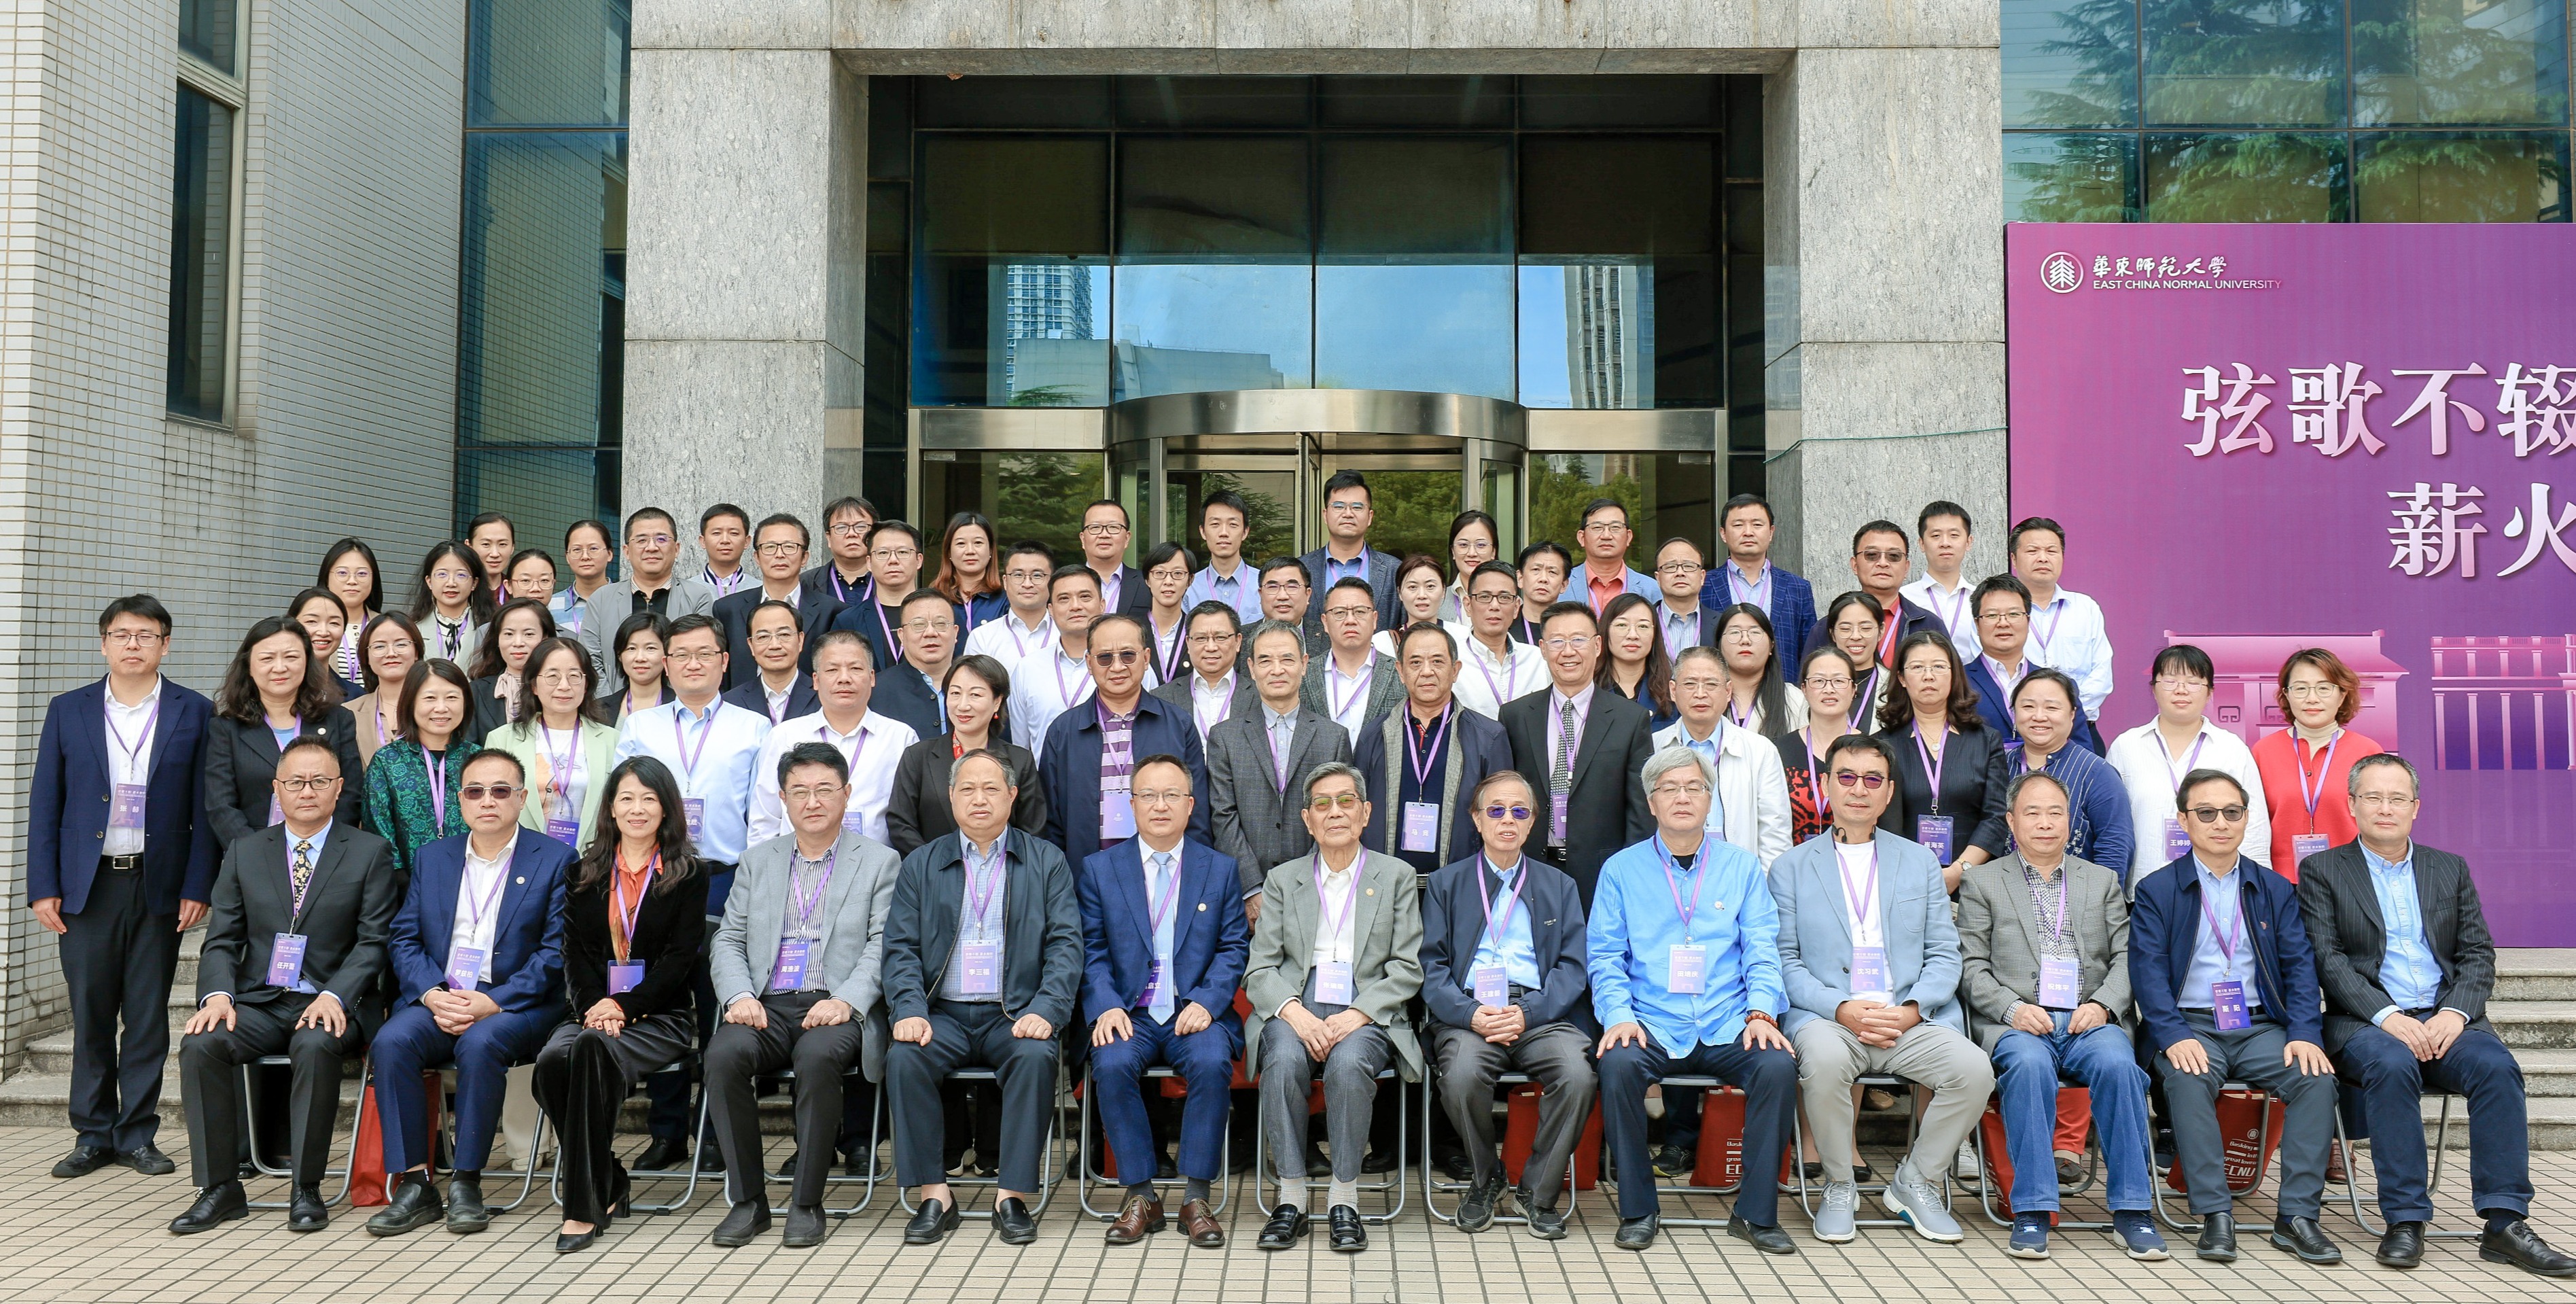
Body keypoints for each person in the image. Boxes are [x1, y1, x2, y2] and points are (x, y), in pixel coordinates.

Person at [2297, 754, 2574, 1275]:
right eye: (2373, 797)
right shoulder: (2322, 871)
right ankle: (2404, 1219)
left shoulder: (2448, 867)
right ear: (2351, 804)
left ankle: (2505, 1223)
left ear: (2415, 807)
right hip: (2365, 1023)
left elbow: (2477, 953)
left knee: (2496, 1068)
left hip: (2444, 1017)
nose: (2385, 808)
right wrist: (2386, 1015)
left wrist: (2455, 1012)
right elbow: (2327, 960)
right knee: (2392, 1063)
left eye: (2396, 798)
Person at [168, 736, 397, 1234]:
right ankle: (220, 1187)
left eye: (319, 781)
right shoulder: (246, 851)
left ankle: (306, 1187)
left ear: (339, 788)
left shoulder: (369, 852)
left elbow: (374, 942)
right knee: (201, 1043)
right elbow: (222, 939)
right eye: (295, 782)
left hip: (335, 1001)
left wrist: (336, 995)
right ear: (277, 789)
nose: (307, 791)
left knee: (314, 1043)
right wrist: (218, 995)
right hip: (262, 1001)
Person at [1771, 734, 1992, 1245]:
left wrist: (1913, 1008)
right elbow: (1784, 961)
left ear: (1889, 792)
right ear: (1826, 785)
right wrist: (1840, 1007)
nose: (1859, 789)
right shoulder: (1790, 867)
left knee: (1974, 1070)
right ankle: (1839, 1184)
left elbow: (1945, 954)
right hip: (1830, 1017)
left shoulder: (1919, 862)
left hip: (1907, 1018)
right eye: (1846, 777)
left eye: (1873, 779)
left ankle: (1916, 1181)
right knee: (1824, 1062)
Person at [28, 596, 216, 1180]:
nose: (133, 644)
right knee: (90, 1011)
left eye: (146, 634)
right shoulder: (69, 709)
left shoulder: (195, 710)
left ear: (166, 643)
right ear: (104, 643)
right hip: (87, 887)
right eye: (122, 634)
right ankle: (92, 1134)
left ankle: (137, 1134)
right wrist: (43, 885)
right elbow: (46, 802)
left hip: (158, 882)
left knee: (146, 1013)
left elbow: (204, 808)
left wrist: (198, 884)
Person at [1589, 747, 1799, 1253]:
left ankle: (1755, 1214)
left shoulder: (1741, 867)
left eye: (1693, 787)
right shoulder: (1620, 870)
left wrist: (1761, 1012)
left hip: (1728, 1020)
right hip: (1652, 1021)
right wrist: (1618, 1015)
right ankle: (1638, 1208)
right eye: (1669, 788)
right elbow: (1605, 956)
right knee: (1617, 1064)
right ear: (1651, 802)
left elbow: (1762, 949)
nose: (1682, 797)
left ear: (1710, 799)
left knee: (1776, 1067)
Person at [1955, 770, 2166, 1261]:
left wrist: (2103, 1004)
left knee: (2120, 1067)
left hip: (2088, 1018)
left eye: (2056, 813)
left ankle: (2132, 1210)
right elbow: (1969, 965)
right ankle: (2032, 1210)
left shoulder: (2101, 879)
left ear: (2071, 822)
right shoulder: (1983, 881)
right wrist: (2011, 1008)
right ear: (2011, 821)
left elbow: (2128, 955)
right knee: (2029, 1068)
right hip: (2019, 1021)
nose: (2045, 823)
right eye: (2032, 812)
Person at [2130, 768, 2339, 1265]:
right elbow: (2147, 973)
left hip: (2259, 1025)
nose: (2220, 822)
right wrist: (2172, 1034)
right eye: (2206, 812)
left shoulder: (2274, 888)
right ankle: (2215, 1214)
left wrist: (2304, 1032)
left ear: (2247, 818)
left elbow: (2299, 967)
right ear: (2184, 820)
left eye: (2231, 812)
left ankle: (2297, 1218)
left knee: (2315, 1079)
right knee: (2187, 1078)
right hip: (2189, 1025)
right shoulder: (2157, 889)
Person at [364, 750, 574, 1237]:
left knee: (480, 1043)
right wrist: (431, 992)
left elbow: (557, 950)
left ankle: (467, 1182)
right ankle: (416, 1183)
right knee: (391, 1042)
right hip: (444, 994)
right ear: (461, 800)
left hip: (515, 1003)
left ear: (521, 798)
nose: (487, 800)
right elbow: (405, 937)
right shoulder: (433, 857)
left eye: (501, 790)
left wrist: (494, 1000)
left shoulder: (555, 859)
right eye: (475, 791)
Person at [703, 742, 902, 1250]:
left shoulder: (879, 862)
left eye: (824, 790)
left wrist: (847, 1001)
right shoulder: (757, 861)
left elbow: (885, 942)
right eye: (799, 791)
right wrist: (738, 996)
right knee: (723, 1055)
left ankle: (807, 1202)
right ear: (783, 799)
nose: (812, 801)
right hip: (765, 1004)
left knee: (817, 1059)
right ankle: (748, 1201)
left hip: (835, 1005)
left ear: (846, 794)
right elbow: (728, 937)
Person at [882, 748, 1085, 1246]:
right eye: (967, 789)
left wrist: (1047, 1009)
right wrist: (908, 1009)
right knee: (905, 1056)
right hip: (943, 1013)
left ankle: (1010, 1196)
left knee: (1035, 1056)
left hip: (1012, 1013)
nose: (979, 799)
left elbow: (1066, 944)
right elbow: (900, 947)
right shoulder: (921, 864)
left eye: (991, 788)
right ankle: (935, 1195)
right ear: (951, 797)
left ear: (1012, 796)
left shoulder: (1046, 861)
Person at [614, 613, 775, 1171]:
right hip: (655, 877)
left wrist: (754, 880)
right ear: (665, 663)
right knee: (660, 999)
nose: (692, 663)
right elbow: (623, 803)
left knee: (720, 1002)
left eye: (704, 653)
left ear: (725, 661)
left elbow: (763, 812)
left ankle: (716, 1130)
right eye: (680, 654)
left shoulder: (755, 727)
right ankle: (667, 1131)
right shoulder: (642, 725)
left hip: (725, 876)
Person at [1244, 762, 1424, 1254]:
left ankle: (1344, 1199)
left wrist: (1357, 1014)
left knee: (1347, 1065)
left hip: (1367, 1008)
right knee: (1283, 1059)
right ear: (1307, 819)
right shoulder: (1283, 879)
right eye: (1322, 804)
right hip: (1295, 1004)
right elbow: (1260, 969)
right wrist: (1295, 1013)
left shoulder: (1396, 876)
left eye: (1346, 801)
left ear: (1365, 812)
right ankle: (1291, 1198)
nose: (1335, 812)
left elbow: (1406, 968)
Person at [531, 756, 708, 1254]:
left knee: (589, 1049)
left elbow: (679, 960)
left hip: (661, 1015)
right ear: (610, 807)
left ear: (666, 807)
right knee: (551, 1062)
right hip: (591, 1011)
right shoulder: (583, 872)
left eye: (649, 798)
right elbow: (574, 954)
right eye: (626, 798)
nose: (637, 808)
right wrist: (597, 1005)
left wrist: (623, 1008)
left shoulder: (690, 873)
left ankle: (581, 1208)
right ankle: (607, 1175)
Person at [1077, 754, 1249, 1248]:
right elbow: (1091, 948)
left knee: (1212, 1061)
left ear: (1190, 805)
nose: (1160, 805)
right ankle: (1140, 1197)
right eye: (1148, 795)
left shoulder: (1219, 869)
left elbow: (1234, 946)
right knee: (1110, 1064)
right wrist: (1106, 1004)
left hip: (1191, 1009)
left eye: (1172, 795)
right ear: (1130, 804)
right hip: (1128, 1011)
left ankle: (1196, 1198)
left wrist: (1209, 1001)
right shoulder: (1100, 869)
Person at [1419, 770, 1595, 1237]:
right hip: (1470, 1013)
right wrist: (1469, 1014)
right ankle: (1486, 1177)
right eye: (1495, 810)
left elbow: (1573, 967)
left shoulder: (1559, 885)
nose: (1507, 820)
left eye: (1519, 811)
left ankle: (1537, 1191)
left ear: (1533, 821)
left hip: (1539, 1013)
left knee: (1577, 1076)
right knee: (1460, 1076)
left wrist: (1528, 1012)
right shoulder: (1446, 883)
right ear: (1477, 819)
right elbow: (1430, 967)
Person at [1500, 601, 1655, 904]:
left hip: (1602, 873)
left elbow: (1640, 810)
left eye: (1578, 640)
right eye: (1557, 641)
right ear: (1543, 649)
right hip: (1530, 867)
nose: (1568, 651)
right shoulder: (1516, 716)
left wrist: (1631, 874)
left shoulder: (1630, 719)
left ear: (1597, 646)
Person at [1207, 620, 1352, 920]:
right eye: (1265, 661)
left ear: (1304, 664)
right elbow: (1223, 815)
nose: (1277, 670)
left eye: (1287, 659)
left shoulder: (1333, 737)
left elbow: (1338, 817)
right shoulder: (1225, 737)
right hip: (1245, 896)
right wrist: (1251, 888)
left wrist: (1307, 883)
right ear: (1251, 667)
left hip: (1319, 891)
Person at [1040, 613, 1210, 870]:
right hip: (1085, 874)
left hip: (1165, 871)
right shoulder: (1063, 731)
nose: (1117, 667)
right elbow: (1050, 822)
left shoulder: (1178, 724)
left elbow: (1197, 815)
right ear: (1089, 662)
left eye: (1128, 655)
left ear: (1146, 658)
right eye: (1105, 658)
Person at [1353, 622, 1512, 874]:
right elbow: (1356, 812)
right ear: (1401, 671)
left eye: (1437, 661)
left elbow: (1501, 817)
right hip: (1385, 883)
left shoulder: (1489, 737)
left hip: (1461, 882)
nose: (1427, 671)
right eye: (1415, 663)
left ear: (1455, 670)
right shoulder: (1374, 735)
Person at [2107, 644, 2274, 886]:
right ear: (2154, 688)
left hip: (2219, 887)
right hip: (2144, 886)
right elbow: (2111, 826)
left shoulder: (2231, 748)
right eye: (2170, 681)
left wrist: (2256, 887)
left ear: (2210, 692)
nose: (2181, 690)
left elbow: (2255, 825)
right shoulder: (2127, 746)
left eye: (2194, 682)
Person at [205, 616, 366, 848]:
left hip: (327, 853)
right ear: (249, 666)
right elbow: (221, 805)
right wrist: (256, 855)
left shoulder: (339, 720)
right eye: (267, 658)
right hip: (254, 853)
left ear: (307, 661)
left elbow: (350, 794)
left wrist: (321, 850)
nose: (280, 667)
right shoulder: (226, 728)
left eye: (291, 657)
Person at [751, 629, 919, 847]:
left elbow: (910, 820)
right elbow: (765, 819)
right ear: (816, 680)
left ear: (872, 677)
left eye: (855, 668)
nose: (844, 678)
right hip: (797, 863)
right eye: (832, 670)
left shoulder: (900, 738)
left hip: (878, 864)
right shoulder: (785, 736)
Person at [1876, 631, 2011, 889]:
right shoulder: (1882, 745)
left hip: (1974, 881)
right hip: (1903, 880)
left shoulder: (1986, 740)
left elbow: (1995, 816)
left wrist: (1959, 871)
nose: (1928, 676)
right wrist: (1916, 876)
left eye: (1938, 667)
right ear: (1902, 678)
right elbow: (1883, 822)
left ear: (1953, 675)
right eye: (1917, 667)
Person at [887, 655, 1048, 856]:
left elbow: (1033, 831)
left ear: (997, 702)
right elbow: (900, 824)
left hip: (1003, 870)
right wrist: (934, 864)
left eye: (975, 695)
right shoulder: (918, 756)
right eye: (955, 693)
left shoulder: (1020, 761)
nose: (963, 705)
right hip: (932, 870)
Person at [2253, 648, 2385, 879]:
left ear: (2342, 695)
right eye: (2300, 688)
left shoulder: (2368, 752)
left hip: (2351, 878)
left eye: (2324, 688)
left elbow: (2380, 821)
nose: (2312, 698)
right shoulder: (2263, 751)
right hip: (2279, 881)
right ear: (2286, 695)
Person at [1656, 646, 1793, 869]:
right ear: (1673, 690)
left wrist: (1762, 885)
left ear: (1728, 691)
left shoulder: (1760, 751)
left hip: (1739, 877)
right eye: (1690, 684)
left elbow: (1775, 834)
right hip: (1668, 874)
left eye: (1711, 684)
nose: (1700, 694)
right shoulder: (1654, 747)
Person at [485, 638, 618, 850]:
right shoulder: (502, 740)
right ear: (534, 685)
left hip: (593, 857)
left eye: (574, 676)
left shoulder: (612, 740)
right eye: (552, 676)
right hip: (523, 856)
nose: (564, 686)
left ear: (586, 684)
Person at [361, 659, 479, 891]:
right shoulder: (388, 760)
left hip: (473, 883)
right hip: (404, 888)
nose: (441, 708)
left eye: (452, 697)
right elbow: (377, 827)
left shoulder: (478, 759)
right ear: (410, 702)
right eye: (430, 698)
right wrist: (401, 879)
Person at [2008, 669, 2135, 877]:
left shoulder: (2097, 773)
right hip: (2001, 892)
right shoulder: (1998, 765)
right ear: (2014, 712)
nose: (2039, 716)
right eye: (2028, 706)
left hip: (2075, 895)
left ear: (2072, 714)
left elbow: (2114, 848)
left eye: (2052, 707)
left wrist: (2100, 895)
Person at [578, 508, 718, 695]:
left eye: (661, 539)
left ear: (676, 549)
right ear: (627, 551)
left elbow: (701, 656)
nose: (652, 547)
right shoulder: (602, 598)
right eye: (642, 540)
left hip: (679, 704)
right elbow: (590, 659)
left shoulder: (697, 596)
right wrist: (610, 705)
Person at [1964, 574, 2104, 755]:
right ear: (1977, 624)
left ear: (2028, 621)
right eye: (1992, 615)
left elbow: (2082, 754)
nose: (2003, 623)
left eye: (2014, 614)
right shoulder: (1957, 683)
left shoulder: (2060, 686)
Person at [2009, 517, 2114, 730]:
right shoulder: (1998, 611)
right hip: (2018, 730)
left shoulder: (2085, 608)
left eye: (2051, 551)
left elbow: (2101, 675)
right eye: (2032, 551)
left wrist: (2066, 713)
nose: (2043, 558)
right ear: (2014, 559)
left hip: (2079, 727)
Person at [1799, 523, 1939, 666]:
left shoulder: (1929, 624)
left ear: (1906, 568)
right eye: (1872, 555)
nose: (1883, 563)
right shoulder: (1826, 627)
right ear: (1855, 565)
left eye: (1894, 556)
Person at [1702, 493, 1816, 660]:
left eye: (1757, 525)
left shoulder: (1798, 588)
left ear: (1771, 532)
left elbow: (1810, 653)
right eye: (1738, 525)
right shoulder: (1703, 585)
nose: (1748, 532)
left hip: (1783, 676)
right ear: (1723, 533)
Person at [712, 512, 819, 690]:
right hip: (741, 704)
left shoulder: (831, 611)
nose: (779, 555)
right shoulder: (728, 609)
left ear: (805, 557)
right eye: (770, 547)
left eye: (789, 547)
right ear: (757, 557)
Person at [1769, 646, 1862, 845]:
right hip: (1794, 860)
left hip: (1859, 860)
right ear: (1804, 689)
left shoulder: (1872, 752)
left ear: (1854, 689)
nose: (1829, 689)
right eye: (1819, 681)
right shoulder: (1779, 750)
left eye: (1839, 681)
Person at [1006, 565, 1102, 750]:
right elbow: (1021, 745)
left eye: (1085, 596)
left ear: (1102, 604)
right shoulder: (1028, 668)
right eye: (1064, 599)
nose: (1075, 606)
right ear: (1050, 609)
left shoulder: (1127, 665)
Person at [1301, 471, 1399, 635]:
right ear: (1325, 515)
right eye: (1339, 506)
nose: (1348, 514)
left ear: (1370, 516)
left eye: (1357, 507)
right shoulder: (1301, 569)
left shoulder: (1394, 570)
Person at [1305, 577, 1402, 743]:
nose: (1350, 620)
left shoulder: (1401, 673)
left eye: (1360, 612)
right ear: (1325, 622)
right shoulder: (1304, 674)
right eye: (1340, 613)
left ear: (1374, 619)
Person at [828, 519, 931, 671]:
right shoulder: (848, 621)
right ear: (869, 562)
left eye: (903, 552)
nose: (893, 560)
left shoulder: (942, 615)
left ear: (919, 560)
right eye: (883, 553)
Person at [1451, 560, 1547, 720]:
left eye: (1504, 597)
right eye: (1484, 597)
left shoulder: (1538, 660)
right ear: (1468, 605)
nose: (1494, 606)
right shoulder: (1451, 661)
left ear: (1516, 607)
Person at [1151, 600, 1252, 746]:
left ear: (1238, 642)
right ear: (1188, 643)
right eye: (1201, 638)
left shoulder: (1260, 696)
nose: (1211, 647)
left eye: (1220, 637)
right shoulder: (1161, 698)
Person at [868, 588, 957, 739]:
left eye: (941, 624)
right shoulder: (875, 691)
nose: (930, 633)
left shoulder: (978, 685)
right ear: (902, 636)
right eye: (918, 625)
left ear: (955, 633)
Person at [465, 597, 557, 736]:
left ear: (546, 638)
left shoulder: (561, 690)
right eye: (509, 634)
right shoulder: (476, 692)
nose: (518, 643)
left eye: (529, 634)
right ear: (497, 639)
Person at [722, 599, 820, 726]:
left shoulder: (824, 696)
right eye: (763, 637)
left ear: (800, 640)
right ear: (751, 645)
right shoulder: (730, 703)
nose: (775, 645)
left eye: (784, 635)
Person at [1899, 501, 1980, 650]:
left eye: (1954, 535)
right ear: (1922, 544)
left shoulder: (1981, 600)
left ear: (1968, 542)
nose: (1945, 543)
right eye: (1936, 536)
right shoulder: (1903, 598)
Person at [963, 542, 1057, 670]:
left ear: (1052, 582)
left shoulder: (1068, 635)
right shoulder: (982, 637)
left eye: (1037, 576)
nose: (1027, 584)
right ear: (1005, 582)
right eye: (1018, 575)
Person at [1710, 603, 1800, 735]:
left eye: (1755, 632)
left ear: (1771, 646)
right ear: (1719, 645)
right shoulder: (1706, 696)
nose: (1745, 640)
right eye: (1735, 632)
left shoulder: (1795, 699)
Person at [346, 613, 423, 766]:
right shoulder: (348, 713)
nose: (391, 653)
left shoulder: (438, 707)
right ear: (367, 657)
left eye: (401, 644)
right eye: (379, 646)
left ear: (417, 652)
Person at [1597, 593, 1677, 732]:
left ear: (1655, 634)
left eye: (1643, 626)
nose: (1632, 635)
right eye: (1622, 625)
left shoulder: (1671, 693)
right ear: (1606, 631)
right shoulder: (1588, 690)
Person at [1182, 490, 1264, 625]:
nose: (1224, 533)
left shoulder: (1263, 585)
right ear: (1203, 532)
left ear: (1245, 532)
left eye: (1233, 525)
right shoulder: (1189, 588)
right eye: (1215, 524)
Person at [409, 540, 494, 667]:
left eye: (461, 575)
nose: (451, 583)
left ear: (474, 583)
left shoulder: (491, 629)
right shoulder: (411, 630)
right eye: (442, 574)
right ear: (429, 581)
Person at [316, 539, 383, 696]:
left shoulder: (385, 626)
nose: (352, 581)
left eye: (362, 574)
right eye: (342, 573)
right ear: (327, 578)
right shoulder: (310, 626)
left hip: (376, 710)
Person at [1816, 591, 1892, 724]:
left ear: (1881, 631)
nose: (1856, 636)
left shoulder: (1895, 687)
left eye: (1865, 628)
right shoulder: (1814, 685)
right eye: (1846, 629)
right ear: (1832, 633)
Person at [1572, 498, 1657, 615]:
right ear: (1582, 538)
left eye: (1615, 527)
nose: (1606, 536)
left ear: (1628, 537)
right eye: (1597, 528)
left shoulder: (1652, 589)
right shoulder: (1561, 584)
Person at [930, 510, 1008, 637]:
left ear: (990, 550)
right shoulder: (933, 599)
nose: (970, 551)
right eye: (961, 544)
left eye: (978, 543)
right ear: (949, 552)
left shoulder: (1007, 599)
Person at [800, 496, 878, 623]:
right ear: (829, 538)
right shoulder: (805, 584)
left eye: (861, 527)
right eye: (841, 527)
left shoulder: (891, 579)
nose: (852, 534)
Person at [1648, 537, 1720, 661]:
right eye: (1670, 567)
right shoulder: (1644, 622)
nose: (1680, 573)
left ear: (1702, 577)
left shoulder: (1722, 624)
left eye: (1689, 566)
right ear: (1658, 578)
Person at [1078, 499, 1152, 619]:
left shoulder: (1148, 584)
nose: (1104, 535)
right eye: (1095, 527)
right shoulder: (1062, 584)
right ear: (1083, 539)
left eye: (1113, 527)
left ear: (1127, 538)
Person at [1369, 554, 1450, 660]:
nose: (1422, 595)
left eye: (1430, 586)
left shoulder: (1463, 638)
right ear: (1400, 593)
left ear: (1443, 590)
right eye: (1413, 587)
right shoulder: (1381, 644)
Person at [289, 587, 357, 699]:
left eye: (334, 623)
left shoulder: (356, 696)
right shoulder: (272, 688)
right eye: (311, 621)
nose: (323, 632)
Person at [1142, 542, 1195, 686]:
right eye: (1160, 573)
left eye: (1178, 574)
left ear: (1190, 580)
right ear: (1147, 580)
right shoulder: (1132, 631)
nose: (1168, 581)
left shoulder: (1197, 632)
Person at [601, 613, 671, 722]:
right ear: (619, 655)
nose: (640, 658)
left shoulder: (683, 706)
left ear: (667, 654)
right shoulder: (599, 710)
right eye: (631, 648)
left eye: (650, 648)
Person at [553, 520, 616, 637]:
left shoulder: (627, 601)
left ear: (610, 554)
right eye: (577, 550)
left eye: (593, 549)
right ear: (567, 557)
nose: (585, 557)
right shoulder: (550, 605)